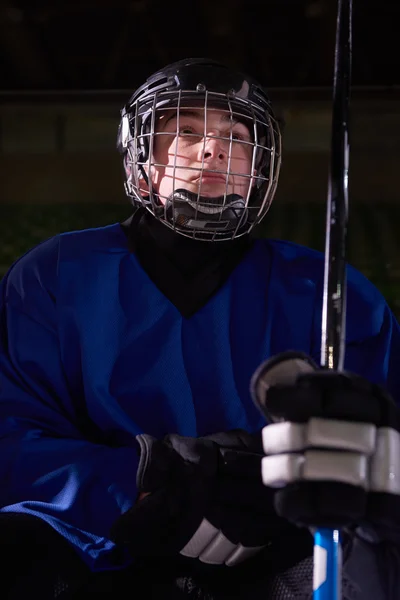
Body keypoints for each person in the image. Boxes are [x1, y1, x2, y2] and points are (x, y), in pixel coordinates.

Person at [0, 57, 399, 599]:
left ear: (260, 166)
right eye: (186, 131)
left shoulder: (332, 291)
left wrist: (291, 487)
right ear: (142, 156)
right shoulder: (55, 274)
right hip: (99, 545)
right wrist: (146, 483)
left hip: (280, 553)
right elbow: (14, 437)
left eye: (235, 135)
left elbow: (379, 443)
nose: (213, 148)